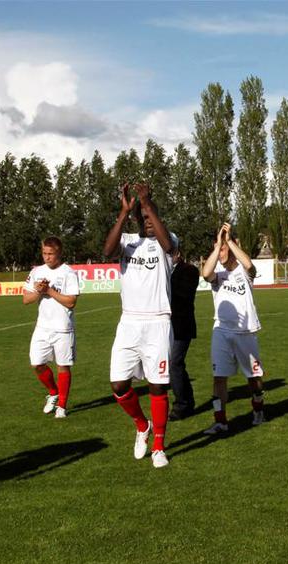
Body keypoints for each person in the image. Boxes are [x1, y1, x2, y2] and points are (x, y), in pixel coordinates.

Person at [102, 182, 177, 468]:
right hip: (129, 322)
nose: (147, 220)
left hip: (158, 321)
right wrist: (124, 213)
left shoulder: (167, 239)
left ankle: (158, 447)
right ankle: (142, 425)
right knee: (118, 384)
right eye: (142, 217)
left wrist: (146, 204)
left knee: (158, 386)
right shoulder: (127, 241)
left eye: (150, 215)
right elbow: (107, 252)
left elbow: (169, 245)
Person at [201, 223, 265, 435]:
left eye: (222, 249)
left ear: (232, 247)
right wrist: (219, 244)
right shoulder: (217, 273)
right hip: (221, 330)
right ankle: (220, 421)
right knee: (219, 377)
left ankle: (258, 409)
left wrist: (228, 241)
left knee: (253, 378)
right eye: (217, 249)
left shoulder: (244, 272)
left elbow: (249, 265)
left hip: (246, 331)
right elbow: (205, 273)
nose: (219, 253)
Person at [23, 237, 80, 419]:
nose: (47, 257)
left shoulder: (68, 273)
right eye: (44, 253)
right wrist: (39, 291)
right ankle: (53, 392)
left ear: (59, 253)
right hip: (42, 328)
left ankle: (62, 406)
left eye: (51, 254)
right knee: (37, 363)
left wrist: (49, 291)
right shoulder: (37, 271)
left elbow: (71, 302)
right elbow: (26, 299)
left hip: (63, 328)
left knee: (63, 366)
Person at [169, 248, 199, 421]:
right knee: (176, 365)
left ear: (178, 253)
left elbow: (184, 295)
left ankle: (181, 405)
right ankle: (187, 401)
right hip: (164, 326)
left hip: (181, 325)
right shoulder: (162, 270)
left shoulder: (190, 270)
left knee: (174, 363)